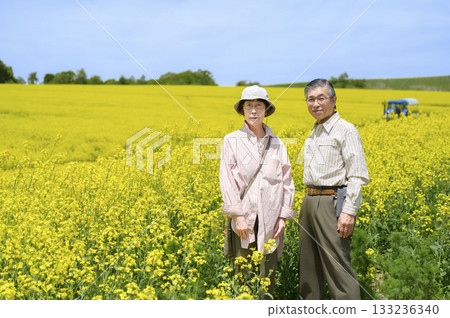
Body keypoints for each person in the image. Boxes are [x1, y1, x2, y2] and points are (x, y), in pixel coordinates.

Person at [219, 85, 297, 298]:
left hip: (271, 220)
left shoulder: (278, 143)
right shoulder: (231, 140)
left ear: (266, 110)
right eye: (249, 106)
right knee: (243, 274)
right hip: (244, 220)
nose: (254, 110)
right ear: (242, 110)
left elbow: (287, 182)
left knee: (267, 277)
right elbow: (227, 181)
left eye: (258, 105)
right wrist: (239, 217)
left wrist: (283, 216)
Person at [299, 79, 369, 300]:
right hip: (310, 201)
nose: (316, 104)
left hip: (331, 202)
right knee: (308, 269)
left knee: (339, 270)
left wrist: (348, 211)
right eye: (311, 99)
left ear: (334, 100)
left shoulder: (346, 130)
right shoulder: (316, 131)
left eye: (321, 98)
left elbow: (357, 174)